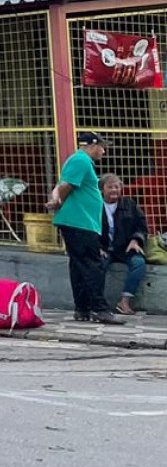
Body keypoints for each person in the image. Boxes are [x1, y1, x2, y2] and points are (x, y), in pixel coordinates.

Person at [48, 131, 125, 324]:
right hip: (79, 222)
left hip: (78, 221)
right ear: (92, 145)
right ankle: (99, 309)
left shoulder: (77, 161)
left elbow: (60, 186)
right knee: (92, 264)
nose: (104, 151)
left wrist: (56, 198)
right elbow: (66, 186)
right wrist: (59, 201)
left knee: (79, 265)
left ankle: (82, 308)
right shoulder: (81, 160)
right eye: (102, 146)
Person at [101, 173, 149, 316]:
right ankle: (97, 302)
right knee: (97, 266)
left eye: (117, 187)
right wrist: (96, 247)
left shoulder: (129, 204)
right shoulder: (96, 205)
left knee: (138, 263)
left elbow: (141, 227)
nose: (114, 190)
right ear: (102, 189)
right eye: (110, 187)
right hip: (104, 248)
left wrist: (136, 240)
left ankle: (124, 301)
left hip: (125, 248)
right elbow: (89, 229)